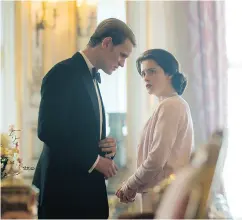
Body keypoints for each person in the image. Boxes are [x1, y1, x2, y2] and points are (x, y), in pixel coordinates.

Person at [33, 18, 136, 219]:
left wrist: (106, 147)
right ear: (106, 43)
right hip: (64, 195)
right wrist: (95, 160)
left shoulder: (91, 77)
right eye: (122, 55)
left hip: (85, 195)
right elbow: (48, 130)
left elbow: (79, 131)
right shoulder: (62, 73)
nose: (123, 64)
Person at [116, 49, 194, 213]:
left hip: (162, 195)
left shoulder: (171, 105)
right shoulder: (167, 104)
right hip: (161, 193)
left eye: (152, 71)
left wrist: (130, 185)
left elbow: (156, 159)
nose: (145, 77)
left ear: (169, 74)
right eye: (143, 73)